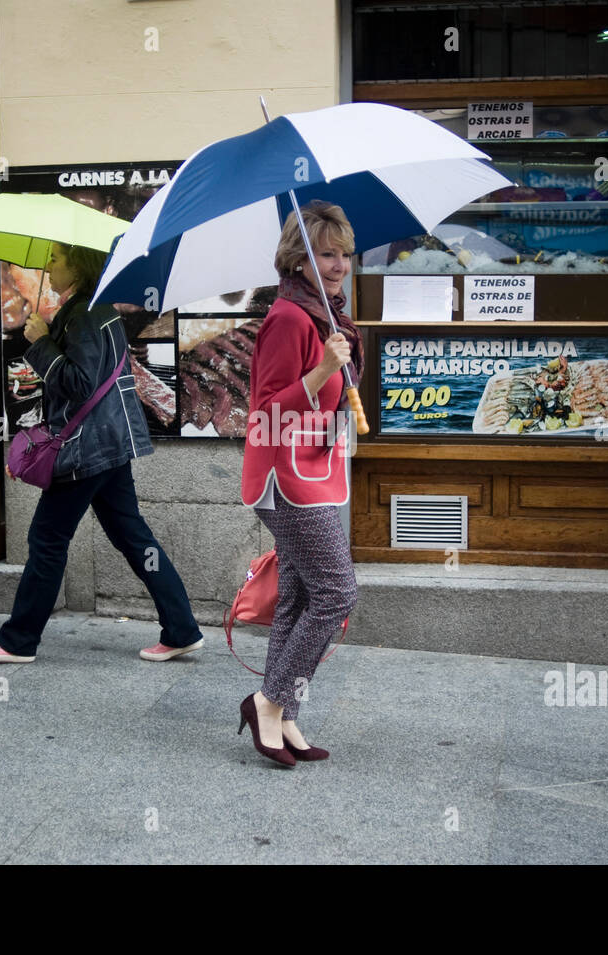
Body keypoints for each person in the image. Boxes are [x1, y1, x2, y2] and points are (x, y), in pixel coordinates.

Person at [0, 242, 204, 664]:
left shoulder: (84, 315)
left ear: (76, 267)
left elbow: (79, 385)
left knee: (47, 537)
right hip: (108, 444)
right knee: (133, 537)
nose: (48, 267)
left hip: (87, 449)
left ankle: (17, 641)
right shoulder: (94, 310)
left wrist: (40, 342)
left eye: (55, 259)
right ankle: (181, 628)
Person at [238, 201, 362, 767]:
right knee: (337, 592)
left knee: (300, 592)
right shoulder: (289, 318)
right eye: (326, 254)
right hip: (285, 478)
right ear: (299, 258)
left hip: (313, 470)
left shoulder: (326, 315)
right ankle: (269, 699)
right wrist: (321, 371)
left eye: (345, 254)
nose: (338, 265)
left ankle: (283, 714)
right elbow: (264, 409)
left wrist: (337, 370)